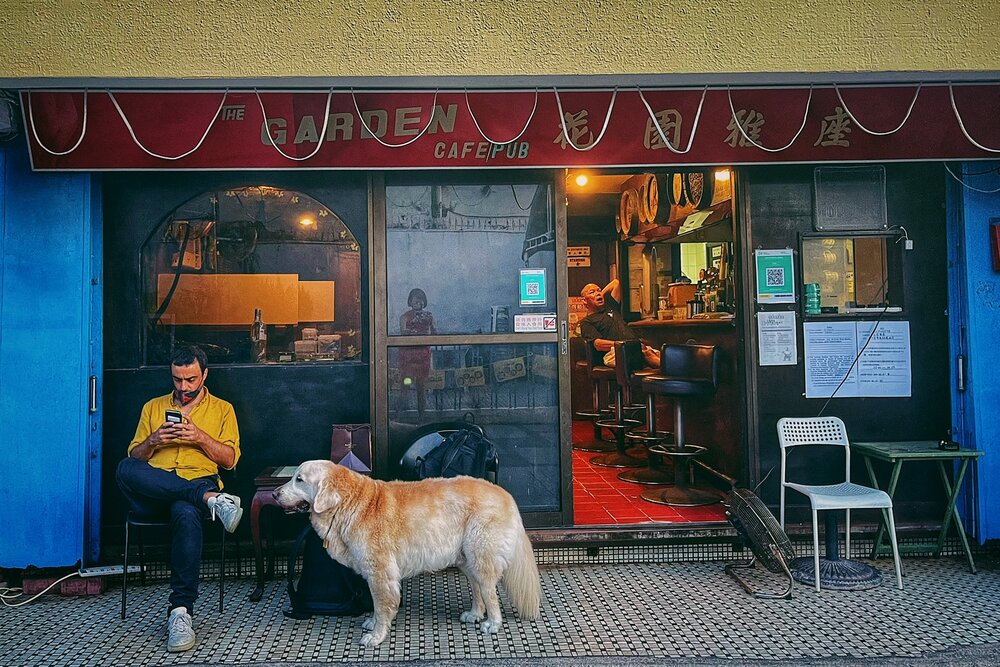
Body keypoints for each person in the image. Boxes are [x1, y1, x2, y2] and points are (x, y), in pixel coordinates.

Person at [115, 345, 242, 653]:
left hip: (196, 480)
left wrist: (199, 437)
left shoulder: (223, 409)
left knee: (185, 510)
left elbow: (230, 460)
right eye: (177, 380)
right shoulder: (152, 407)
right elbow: (135, 456)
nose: (183, 387)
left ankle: (180, 612)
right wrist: (153, 441)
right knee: (125, 467)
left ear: (204, 375)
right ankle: (212, 500)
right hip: (153, 490)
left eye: (190, 380)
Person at [579, 279, 660, 368]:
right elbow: (598, 344)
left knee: (660, 353)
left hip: (634, 347)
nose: (598, 293)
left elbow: (616, 283)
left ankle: (670, 374)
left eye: (599, 290)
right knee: (646, 353)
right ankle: (672, 373)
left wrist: (600, 294)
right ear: (584, 301)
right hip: (613, 352)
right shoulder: (586, 322)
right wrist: (623, 345)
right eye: (592, 292)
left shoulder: (611, 307)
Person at [399, 288, 436, 413]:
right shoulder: (404, 317)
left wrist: (430, 325)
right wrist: (409, 332)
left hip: (422, 355)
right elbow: (403, 331)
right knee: (406, 384)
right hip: (408, 356)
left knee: (421, 386)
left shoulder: (429, 316)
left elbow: (435, 331)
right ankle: (399, 413)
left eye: (420, 298)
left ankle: (422, 417)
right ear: (410, 301)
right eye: (415, 298)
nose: (418, 301)